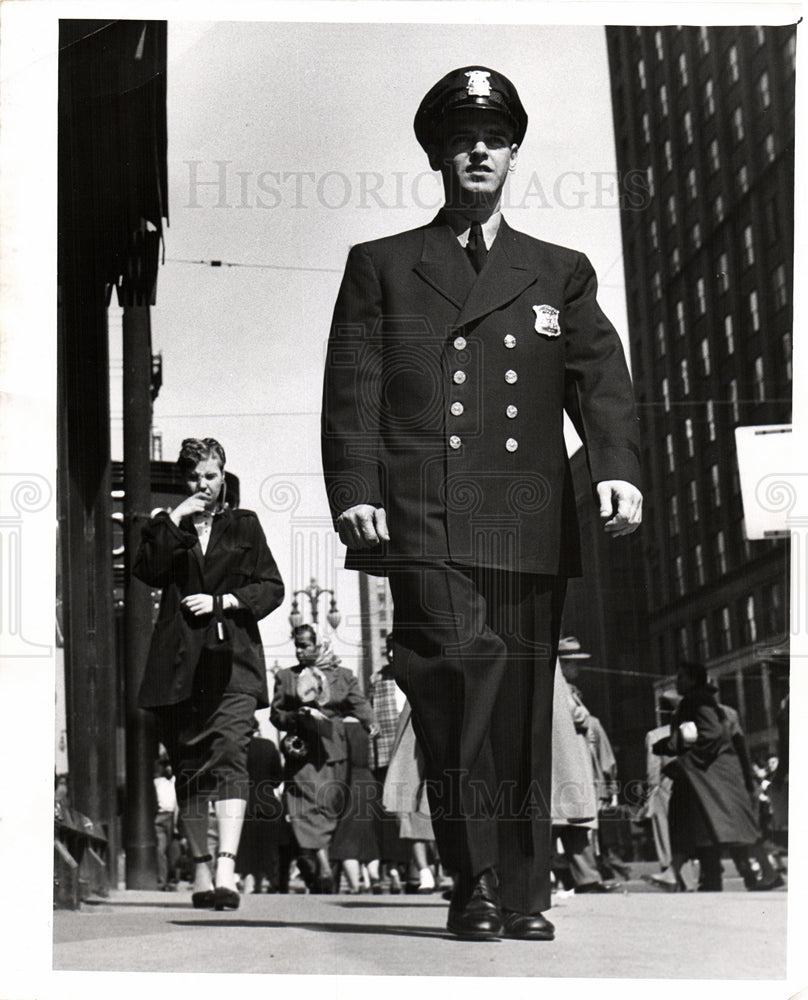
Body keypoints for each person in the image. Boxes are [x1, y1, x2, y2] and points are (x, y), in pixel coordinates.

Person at [321, 66, 642, 941]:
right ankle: (476, 883)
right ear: (437, 154)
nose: (478, 151)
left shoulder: (560, 271)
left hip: (528, 518)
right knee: (457, 687)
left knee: (522, 708)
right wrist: (354, 493)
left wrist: (617, 465)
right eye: (462, 138)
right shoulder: (382, 266)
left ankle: (527, 894)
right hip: (422, 515)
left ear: (512, 153)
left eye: (494, 137)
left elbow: (599, 379)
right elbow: (352, 391)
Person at [135, 437, 285, 910]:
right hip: (180, 665)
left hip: (233, 659)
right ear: (184, 480)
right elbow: (148, 571)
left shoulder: (244, 525)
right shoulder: (169, 529)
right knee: (189, 767)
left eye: (211, 475)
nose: (203, 484)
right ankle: (201, 866)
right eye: (195, 476)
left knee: (230, 752)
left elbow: (271, 586)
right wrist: (174, 518)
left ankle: (225, 867)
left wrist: (225, 602)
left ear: (224, 477)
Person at [270, 625, 379, 893]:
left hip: (334, 753)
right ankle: (324, 866)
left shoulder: (343, 676)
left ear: (321, 645)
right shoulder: (286, 677)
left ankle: (321, 863)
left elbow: (359, 703)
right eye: (297, 645)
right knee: (305, 808)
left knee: (329, 809)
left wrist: (370, 721)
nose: (300, 650)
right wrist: (295, 718)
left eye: (306, 645)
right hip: (302, 755)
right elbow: (276, 714)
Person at [652, 661, 764, 893]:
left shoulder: (697, 702)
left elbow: (711, 735)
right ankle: (746, 873)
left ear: (693, 680)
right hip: (719, 778)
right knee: (724, 826)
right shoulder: (722, 710)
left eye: (681, 678)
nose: (678, 683)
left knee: (709, 827)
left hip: (705, 777)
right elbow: (739, 747)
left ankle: (707, 877)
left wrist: (674, 749)